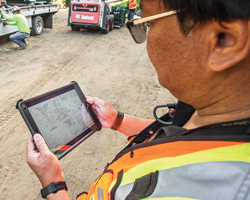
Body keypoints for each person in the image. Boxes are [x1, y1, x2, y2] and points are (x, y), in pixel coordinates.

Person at [26, 0, 250, 199]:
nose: (146, 42)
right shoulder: (211, 114)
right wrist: (117, 120)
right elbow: (176, 138)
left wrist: (52, 184)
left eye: (148, 24)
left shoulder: (180, 189)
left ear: (224, 41)